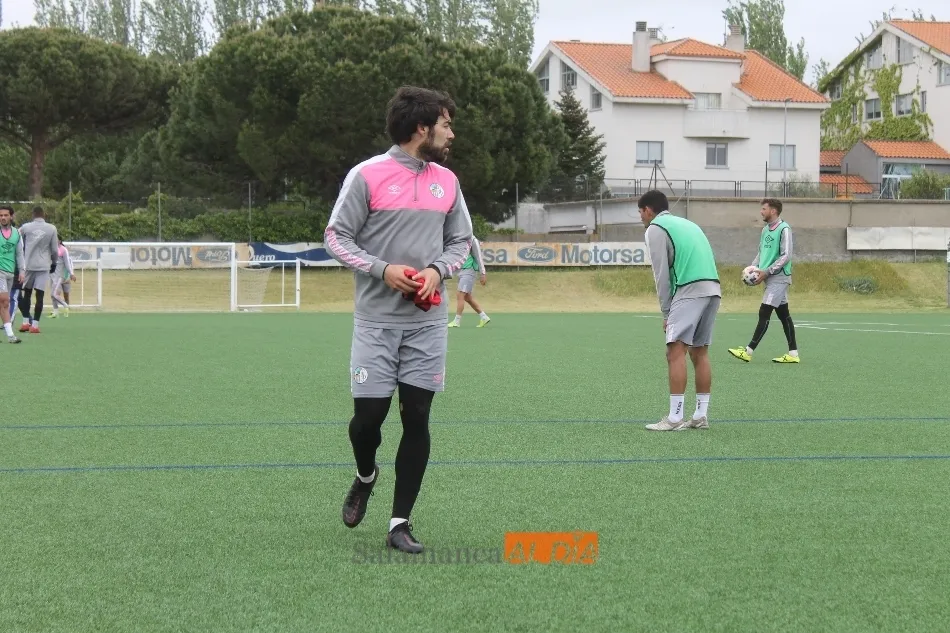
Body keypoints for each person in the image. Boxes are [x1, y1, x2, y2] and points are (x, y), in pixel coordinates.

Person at [324, 85, 474, 554]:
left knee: (418, 415)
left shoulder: (447, 182)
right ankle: (365, 474)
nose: (452, 134)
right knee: (368, 419)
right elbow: (336, 237)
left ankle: (399, 523)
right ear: (421, 128)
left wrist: (436, 270)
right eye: (446, 125)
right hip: (375, 322)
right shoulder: (366, 175)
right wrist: (381, 269)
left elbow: (461, 242)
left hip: (426, 325)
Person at [638, 190, 722, 431]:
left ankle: (674, 418)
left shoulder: (655, 228)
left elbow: (661, 275)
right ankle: (700, 415)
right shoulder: (688, 224)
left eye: (640, 212)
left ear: (648, 210)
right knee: (699, 352)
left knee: (675, 351)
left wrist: (667, 313)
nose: (641, 217)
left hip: (689, 288)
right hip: (713, 288)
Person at [727, 198, 799, 364]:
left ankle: (748, 351)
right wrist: (752, 269)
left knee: (764, 311)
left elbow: (786, 256)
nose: (761, 212)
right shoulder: (765, 230)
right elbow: (761, 253)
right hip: (769, 278)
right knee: (784, 315)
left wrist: (767, 271)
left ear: (773, 211)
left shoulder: (784, 229)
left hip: (779, 278)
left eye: (764, 209)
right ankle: (793, 354)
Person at [17, 206, 59, 334]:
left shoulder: (26, 227)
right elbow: (54, 249)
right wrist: (54, 262)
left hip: (28, 264)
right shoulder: (52, 228)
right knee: (39, 295)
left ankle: (25, 322)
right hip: (43, 265)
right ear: (44, 215)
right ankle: (35, 325)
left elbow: (15, 237)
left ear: (33, 214)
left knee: (27, 293)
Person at [447, 235, 490, 328]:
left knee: (460, 295)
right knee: (467, 297)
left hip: (469, 270)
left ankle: (457, 321)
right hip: (461, 271)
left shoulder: (473, 240)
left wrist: (483, 273)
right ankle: (484, 317)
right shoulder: (459, 239)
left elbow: (479, 257)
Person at [0, 206, 25, 343]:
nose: (3, 218)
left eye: (5, 215)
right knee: (5, 300)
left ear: (11, 216)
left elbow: (20, 253)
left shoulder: (17, 233)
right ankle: (10, 335)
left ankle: (9, 335)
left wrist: (22, 271)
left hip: (10, 272)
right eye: (1, 215)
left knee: (4, 304)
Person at [50, 239, 76, 318]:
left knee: (58, 294)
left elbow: (68, 264)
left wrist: (71, 274)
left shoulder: (63, 250)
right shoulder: (51, 248)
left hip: (61, 277)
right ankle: (56, 312)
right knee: (53, 295)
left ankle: (66, 306)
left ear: (60, 241)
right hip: (53, 276)